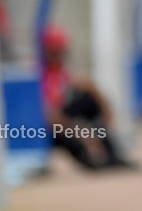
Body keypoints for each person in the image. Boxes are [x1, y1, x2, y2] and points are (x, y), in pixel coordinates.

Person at [40, 25, 136, 170]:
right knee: (67, 136)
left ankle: (111, 153)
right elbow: (51, 116)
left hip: (61, 118)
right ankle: (92, 161)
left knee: (89, 99)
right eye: (54, 52)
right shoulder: (38, 74)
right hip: (49, 126)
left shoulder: (62, 70)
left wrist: (105, 109)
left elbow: (87, 85)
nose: (58, 56)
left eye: (61, 52)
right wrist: (84, 136)